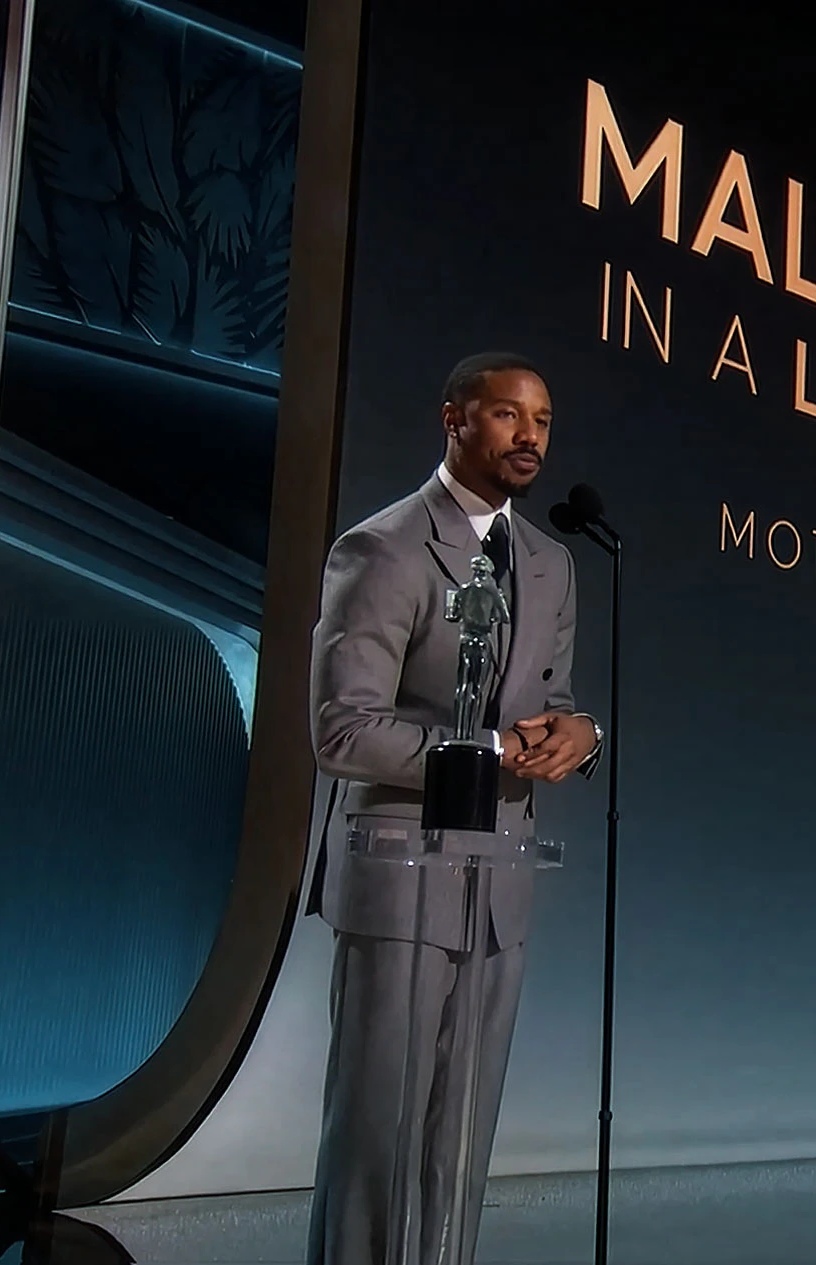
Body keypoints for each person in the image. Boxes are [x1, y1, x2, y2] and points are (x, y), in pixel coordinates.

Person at [304, 353, 603, 1265]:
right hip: (400, 873)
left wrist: (581, 735)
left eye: (543, 420)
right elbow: (340, 731)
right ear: (454, 419)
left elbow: (546, 700)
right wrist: (478, 755)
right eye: (509, 415)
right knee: (378, 1131)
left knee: (461, 1140)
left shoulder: (550, 564)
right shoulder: (385, 547)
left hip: (499, 876)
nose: (530, 436)